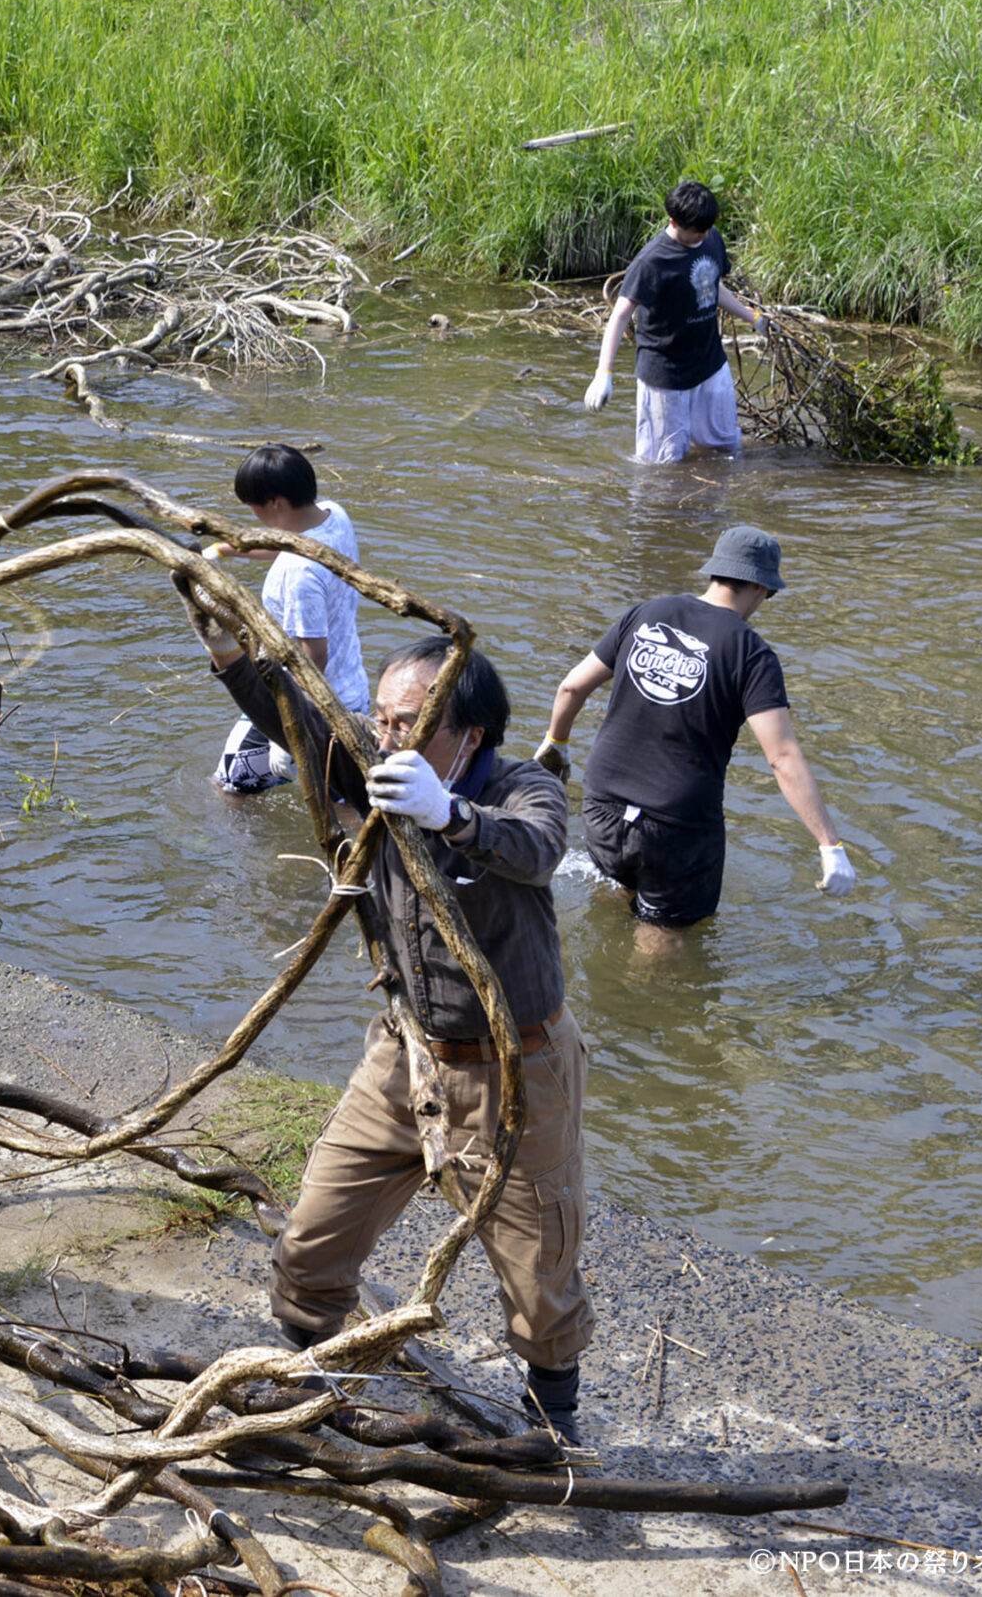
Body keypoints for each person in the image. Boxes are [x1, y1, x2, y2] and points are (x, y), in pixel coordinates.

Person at [195, 608, 591, 1441]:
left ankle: (552, 1436)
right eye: (380, 716)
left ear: (467, 732)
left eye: (406, 721)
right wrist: (227, 643)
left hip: (513, 1069)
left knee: (536, 1275)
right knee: (313, 1238)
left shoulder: (524, 786)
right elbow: (293, 722)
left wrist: (452, 816)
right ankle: (316, 1383)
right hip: (406, 1050)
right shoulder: (372, 773)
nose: (384, 734)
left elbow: (537, 846)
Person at [536, 526, 854, 945]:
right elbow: (782, 757)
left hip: (603, 809)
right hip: (676, 830)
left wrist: (556, 745)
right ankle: (635, 1005)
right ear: (759, 586)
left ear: (716, 573)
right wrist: (830, 845)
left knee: (620, 886)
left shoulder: (646, 612)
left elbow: (571, 687)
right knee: (663, 941)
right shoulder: (751, 653)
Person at [207, 443, 369, 794]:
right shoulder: (332, 514)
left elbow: (314, 656)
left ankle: (246, 850)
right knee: (345, 798)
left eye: (254, 508)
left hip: (308, 708)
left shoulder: (300, 573)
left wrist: (288, 734)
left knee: (228, 789)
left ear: (276, 503)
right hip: (352, 692)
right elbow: (284, 541)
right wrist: (221, 549)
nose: (254, 517)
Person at [582, 180, 770, 464]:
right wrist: (603, 374)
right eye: (697, 233)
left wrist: (752, 317)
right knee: (663, 463)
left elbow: (712, 286)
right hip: (666, 374)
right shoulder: (651, 262)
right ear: (674, 222)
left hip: (710, 363)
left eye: (707, 230)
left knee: (725, 449)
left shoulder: (710, 237)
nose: (704, 237)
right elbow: (620, 314)